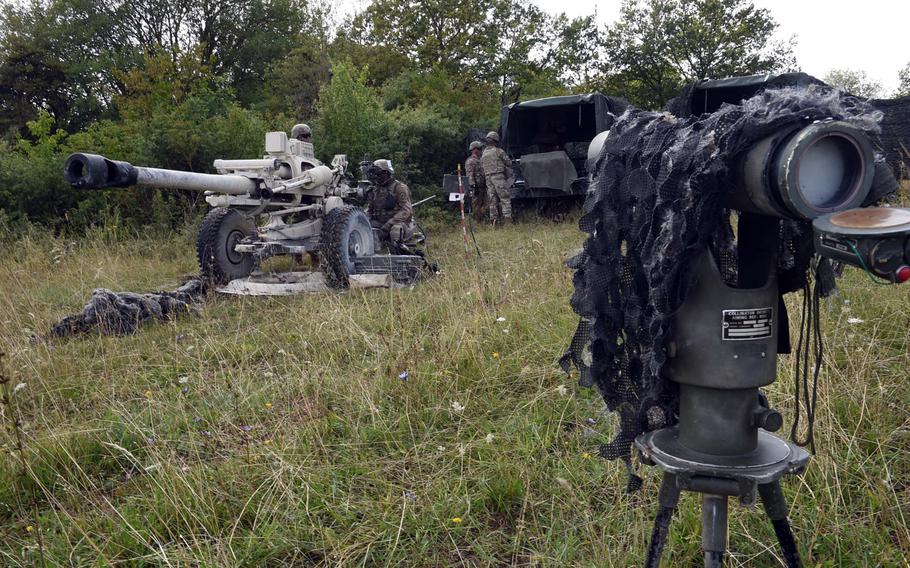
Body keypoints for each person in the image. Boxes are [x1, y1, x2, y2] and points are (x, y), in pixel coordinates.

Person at [366, 159, 413, 253]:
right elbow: (369, 210)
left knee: (395, 230)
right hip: (380, 223)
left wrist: (389, 224)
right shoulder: (375, 190)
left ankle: (397, 256)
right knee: (365, 227)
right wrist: (363, 220)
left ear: (386, 173)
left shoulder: (399, 187)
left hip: (399, 223)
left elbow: (406, 211)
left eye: (379, 174)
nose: (377, 177)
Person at [480, 131, 513, 224]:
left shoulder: (483, 153)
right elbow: (509, 163)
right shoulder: (499, 151)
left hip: (488, 178)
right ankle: (508, 221)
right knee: (504, 198)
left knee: (492, 200)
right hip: (498, 177)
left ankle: (494, 221)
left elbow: (482, 167)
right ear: (495, 141)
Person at [465, 140, 486, 221]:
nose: (481, 151)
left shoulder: (479, 160)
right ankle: (477, 222)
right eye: (479, 149)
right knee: (476, 206)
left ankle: (482, 220)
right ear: (474, 149)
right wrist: (474, 186)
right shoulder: (470, 161)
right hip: (476, 188)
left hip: (482, 187)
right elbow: (470, 175)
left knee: (483, 205)